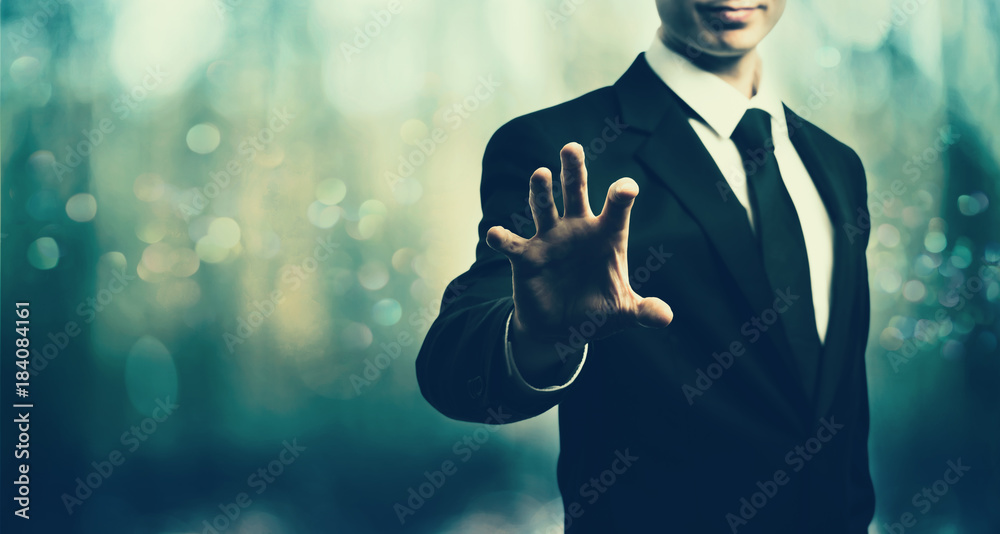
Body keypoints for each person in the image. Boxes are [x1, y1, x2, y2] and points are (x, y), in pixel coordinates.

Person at [416, 0, 874, 531]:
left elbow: (834, 401)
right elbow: (452, 366)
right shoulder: (562, 151)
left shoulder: (837, 165)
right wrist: (537, 334)